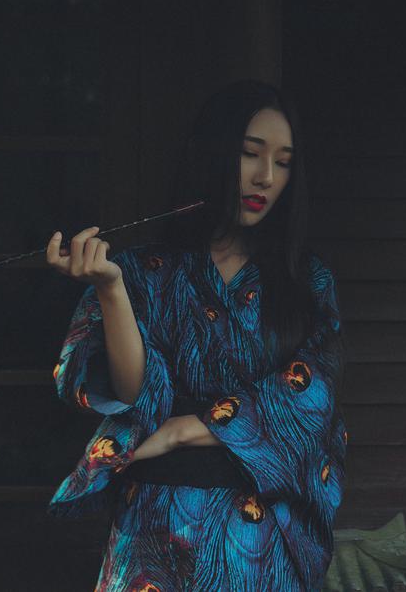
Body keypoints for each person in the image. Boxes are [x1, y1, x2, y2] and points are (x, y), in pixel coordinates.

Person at [45, 79, 347, 591]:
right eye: (250, 154)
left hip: (255, 540)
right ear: (214, 152)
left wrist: (184, 429)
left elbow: (310, 397)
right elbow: (135, 393)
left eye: (283, 162)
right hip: (155, 526)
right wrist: (111, 289)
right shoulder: (144, 271)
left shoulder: (306, 282)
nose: (266, 177)